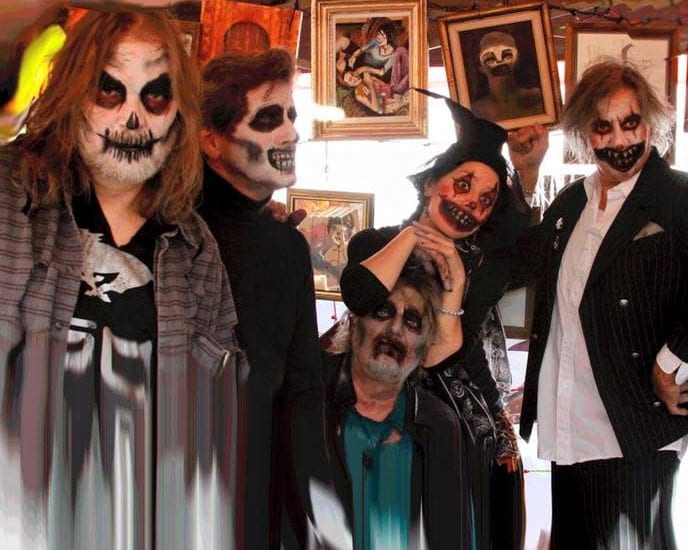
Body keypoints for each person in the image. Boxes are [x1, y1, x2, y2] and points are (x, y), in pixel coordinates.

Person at [0, 7, 244, 549]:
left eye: (154, 95)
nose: (132, 118)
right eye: (109, 90)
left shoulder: (195, 249)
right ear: (72, 94)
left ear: (178, 113)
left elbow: (210, 420)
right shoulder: (9, 197)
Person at [509, 59, 688, 548]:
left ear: (649, 124)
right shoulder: (572, 203)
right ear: (584, 133)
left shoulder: (680, 195)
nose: (620, 139)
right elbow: (518, 262)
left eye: (630, 122)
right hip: (568, 425)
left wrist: (672, 364)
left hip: (633, 424)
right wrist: (526, 171)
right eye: (603, 127)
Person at [338, 91, 532, 549]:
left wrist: (456, 283)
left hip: (468, 427)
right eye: (462, 185)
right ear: (430, 184)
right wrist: (413, 236)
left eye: (485, 200)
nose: (470, 204)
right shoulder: (375, 243)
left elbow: (443, 354)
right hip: (378, 417)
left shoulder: (484, 267)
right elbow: (361, 294)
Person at [198, 48, 321, 550]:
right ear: (211, 138)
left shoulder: (288, 246)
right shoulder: (168, 231)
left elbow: (301, 395)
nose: (291, 133)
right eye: (268, 118)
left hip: (254, 498)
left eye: (291, 115)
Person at [276, 258, 471, 549]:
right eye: (383, 312)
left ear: (425, 347)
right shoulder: (301, 396)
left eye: (412, 321)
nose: (395, 329)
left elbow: (449, 537)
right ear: (354, 320)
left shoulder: (440, 424)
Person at [471, 30, 544, 123]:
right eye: (489, 58)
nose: (499, 61)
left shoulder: (536, 98)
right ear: (481, 67)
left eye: (506, 55)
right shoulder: (477, 110)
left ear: (517, 58)